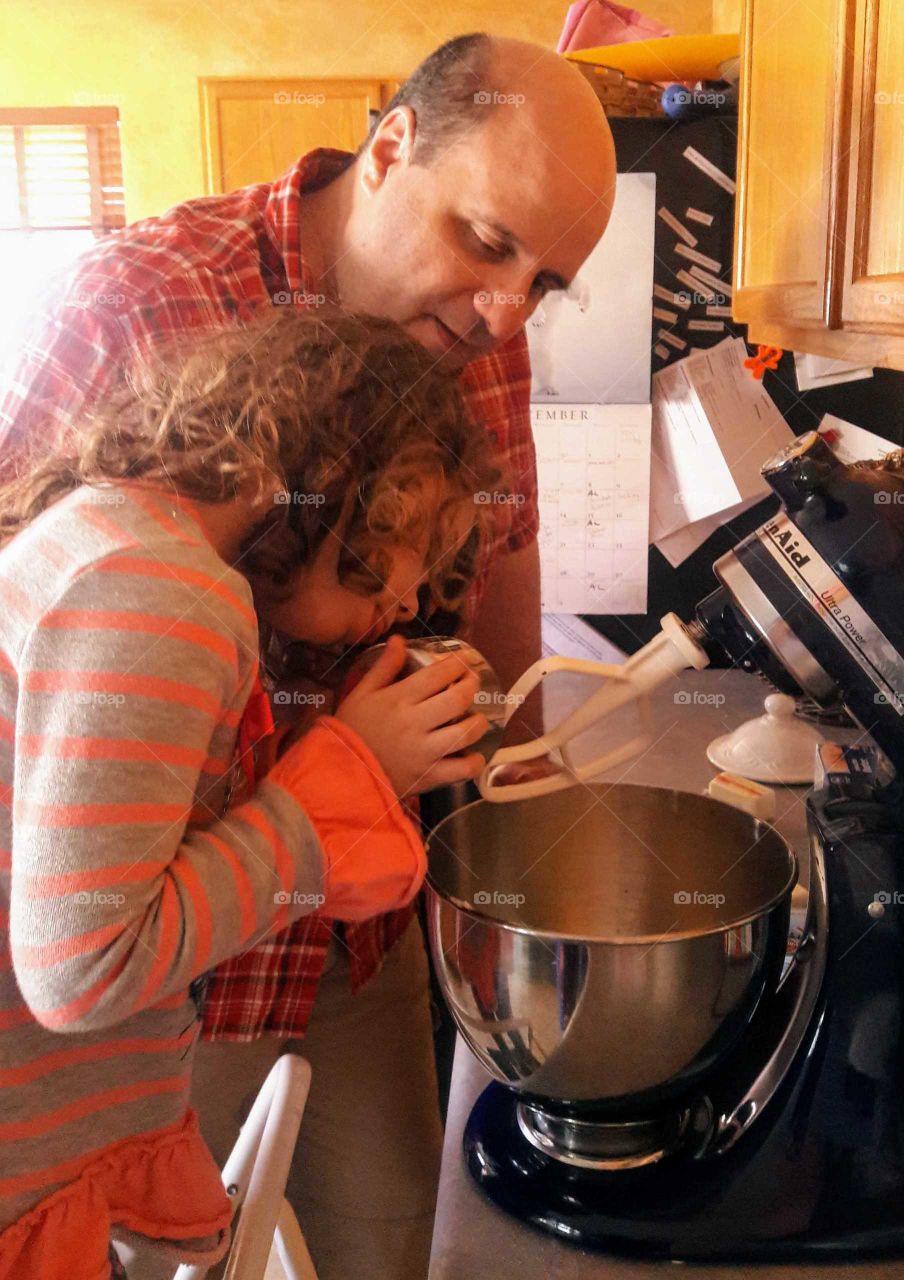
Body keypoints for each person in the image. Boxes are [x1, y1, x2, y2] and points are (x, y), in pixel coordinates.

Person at [0, 32, 617, 1277]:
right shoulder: (148, 297)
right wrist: (330, 766)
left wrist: (529, 808)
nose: (506, 310)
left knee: (394, 1236)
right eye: (487, 240)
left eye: (545, 283)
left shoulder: (482, 339)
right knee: (156, 1244)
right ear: (389, 148)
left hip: (347, 924)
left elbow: (505, 571)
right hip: (155, 984)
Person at [0, 309, 499, 1280]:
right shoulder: (161, 589)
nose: (408, 602)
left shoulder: (117, 531)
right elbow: (84, 966)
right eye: (420, 550)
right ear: (362, 484)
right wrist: (337, 788)